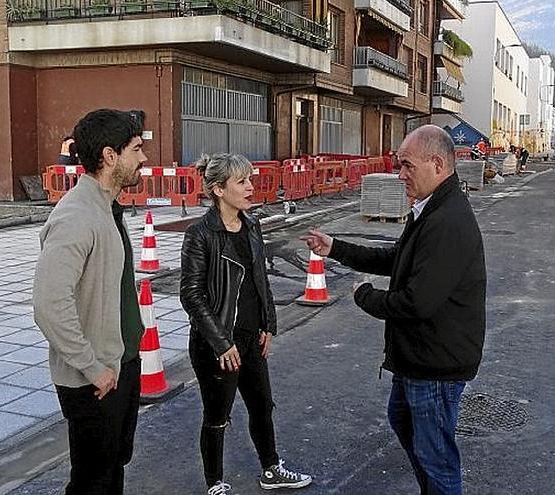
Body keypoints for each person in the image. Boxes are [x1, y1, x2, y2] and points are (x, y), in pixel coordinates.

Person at [301, 125, 486, 495]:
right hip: (418, 356)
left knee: (436, 456)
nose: (399, 174)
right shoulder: (431, 209)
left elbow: (417, 302)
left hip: (435, 363)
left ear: (436, 163)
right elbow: (396, 258)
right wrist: (336, 247)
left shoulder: (446, 221)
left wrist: (365, 296)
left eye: (406, 166)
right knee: (402, 418)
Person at [180, 153, 312, 495]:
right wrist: (221, 343)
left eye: (250, 179)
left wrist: (269, 324)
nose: (251, 187)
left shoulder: (251, 225)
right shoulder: (201, 234)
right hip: (218, 342)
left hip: (253, 336)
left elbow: (259, 281)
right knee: (217, 414)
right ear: (219, 189)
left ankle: (271, 469)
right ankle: (215, 483)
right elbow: (192, 295)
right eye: (242, 182)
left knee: (262, 406)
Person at [33, 109, 148, 494]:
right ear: (110, 156)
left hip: (120, 365)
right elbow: (49, 304)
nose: (144, 158)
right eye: (136, 149)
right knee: (92, 482)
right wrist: (92, 366)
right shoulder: (76, 216)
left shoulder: (108, 208)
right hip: (94, 379)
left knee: (113, 468)